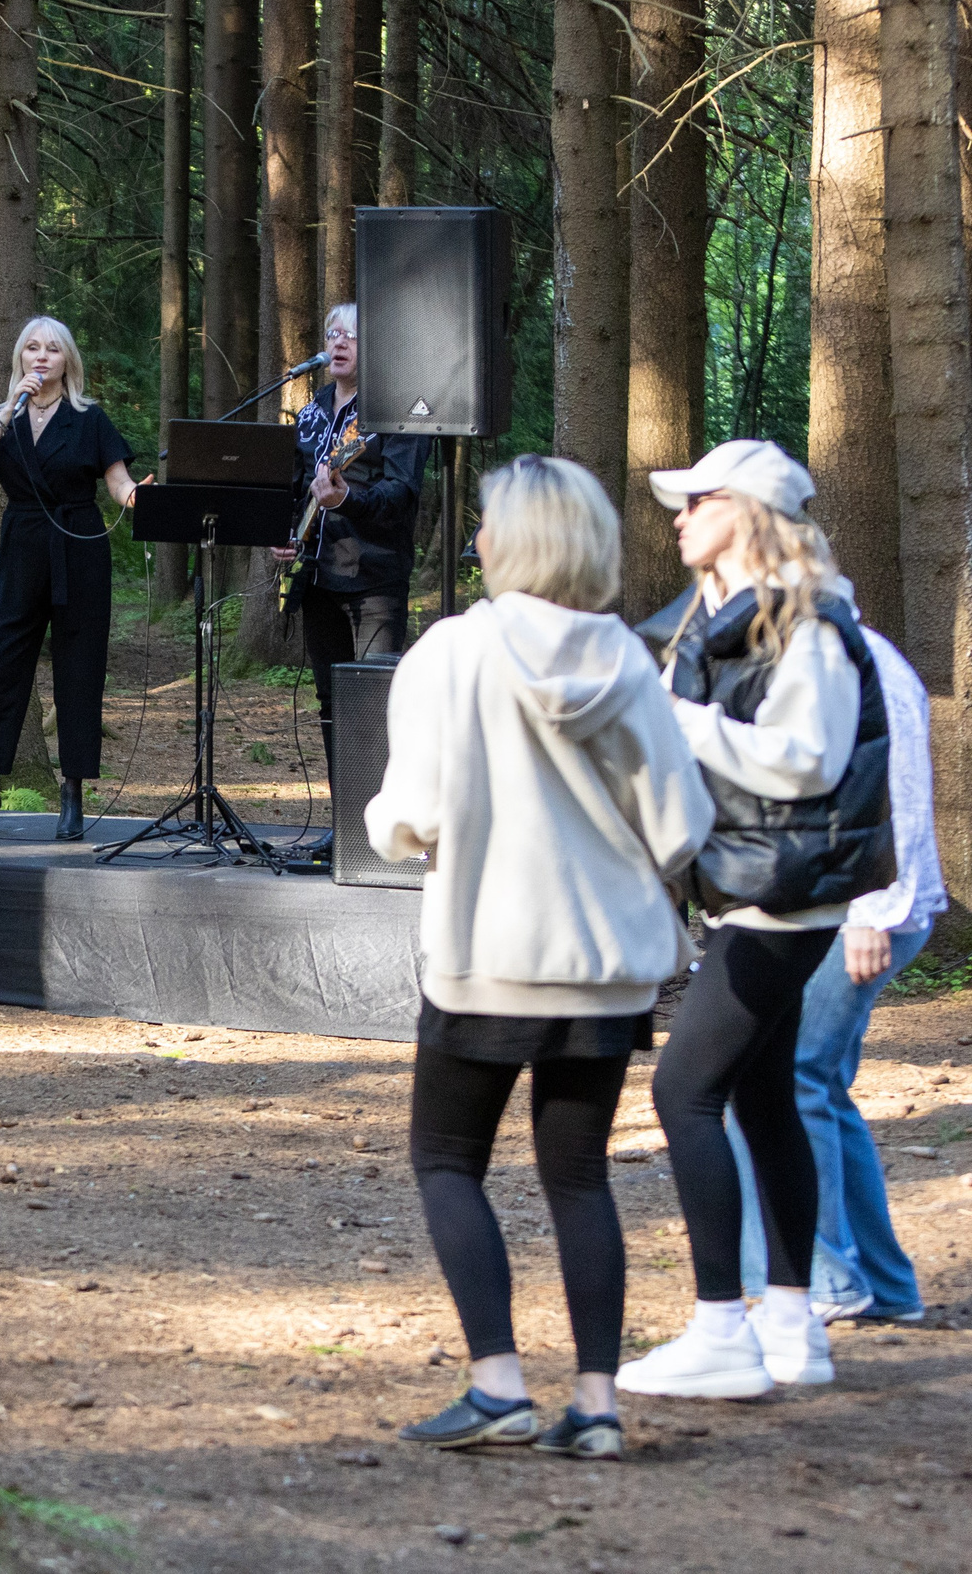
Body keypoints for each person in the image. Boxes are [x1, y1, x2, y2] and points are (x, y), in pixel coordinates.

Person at [365, 456, 712, 1460]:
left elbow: (409, 816)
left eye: (485, 522)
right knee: (579, 1176)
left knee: (446, 1160)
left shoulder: (449, 652)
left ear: (509, 540)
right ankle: (596, 1405)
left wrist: (405, 829)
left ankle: (498, 1385)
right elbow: (680, 825)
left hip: (488, 952)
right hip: (606, 964)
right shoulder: (627, 660)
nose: (475, 536)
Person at [614, 439, 894, 1401]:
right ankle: (790, 1324)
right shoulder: (735, 620)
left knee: (683, 1090)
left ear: (748, 510)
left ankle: (719, 1329)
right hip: (766, 891)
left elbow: (808, 758)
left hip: (783, 895)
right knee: (764, 1098)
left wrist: (687, 725)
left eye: (700, 499)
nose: (680, 516)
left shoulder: (809, 622)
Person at [723, 613, 947, 1322]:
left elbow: (890, 783)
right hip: (851, 907)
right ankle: (884, 1284)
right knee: (816, 1084)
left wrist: (868, 911)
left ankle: (821, 1280)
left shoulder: (852, 657)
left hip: (861, 912)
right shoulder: (831, 653)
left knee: (785, 1077)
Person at [0, 316, 142, 841]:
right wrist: (8, 407)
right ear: (20, 358)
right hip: (21, 545)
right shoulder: (5, 417)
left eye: (53, 349)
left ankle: (73, 791)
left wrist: (136, 496)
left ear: (68, 361)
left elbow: (118, 482)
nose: (41, 357)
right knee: (0, 664)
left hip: (79, 544)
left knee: (79, 670)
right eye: (32, 348)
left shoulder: (89, 418)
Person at [270, 303, 432, 863]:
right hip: (317, 577)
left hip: (373, 578)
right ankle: (346, 826)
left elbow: (401, 495)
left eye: (352, 336)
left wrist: (347, 499)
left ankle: (385, 835)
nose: (338, 343)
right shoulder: (313, 411)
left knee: (377, 703)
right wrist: (286, 534)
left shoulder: (395, 412)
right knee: (331, 703)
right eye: (332, 333)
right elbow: (296, 486)